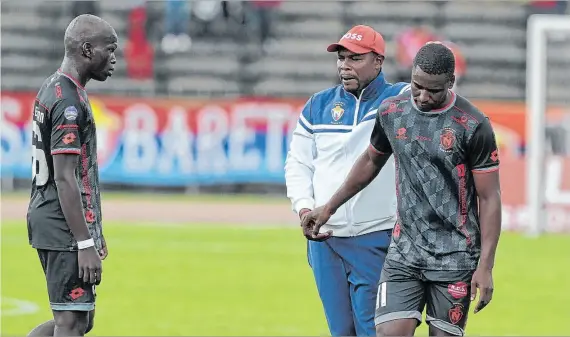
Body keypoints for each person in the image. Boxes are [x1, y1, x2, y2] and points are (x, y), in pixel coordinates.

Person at [302, 42, 502, 337]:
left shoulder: (472, 125)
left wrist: (485, 266)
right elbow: (371, 161)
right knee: (387, 333)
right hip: (404, 251)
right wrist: (330, 206)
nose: (422, 96)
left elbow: (489, 198)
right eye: (416, 85)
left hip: (455, 255)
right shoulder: (393, 112)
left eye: (432, 90)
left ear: (450, 82)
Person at [285, 25, 410, 336]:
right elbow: (297, 163)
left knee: (373, 330)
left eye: (355, 58)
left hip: (374, 236)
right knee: (341, 331)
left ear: (378, 61)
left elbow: (431, 94)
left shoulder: (398, 99)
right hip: (324, 240)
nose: (344, 65)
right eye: (341, 58)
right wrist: (303, 208)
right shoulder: (318, 104)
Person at [26, 14, 117, 337]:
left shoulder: (56, 85)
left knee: (79, 320)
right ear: (88, 49)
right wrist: (85, 242)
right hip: (62, 223)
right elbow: (65, 177)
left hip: (53, 218)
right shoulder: (68, 103)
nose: (115, 58)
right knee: (71, 323)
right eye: (110, 48)